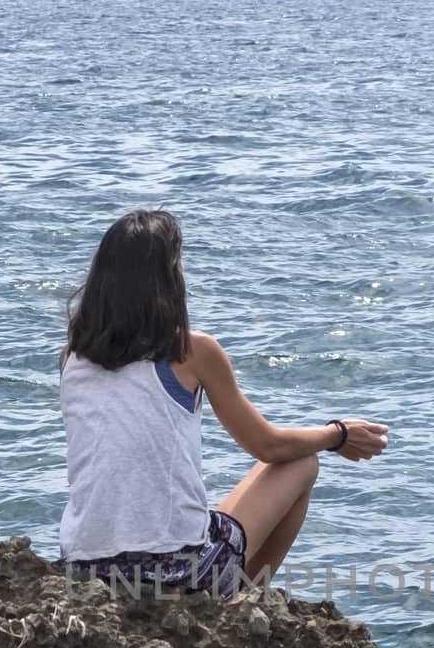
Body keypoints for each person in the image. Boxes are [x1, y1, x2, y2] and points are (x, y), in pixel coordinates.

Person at [57, 210, 388, 595]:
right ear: (168, 279)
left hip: (83, 572)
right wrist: (337, 434)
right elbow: (268, 445)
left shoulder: (71, 357)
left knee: (208, 518)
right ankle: (242, 603)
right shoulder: (191, 350)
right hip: (176, 575)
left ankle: (235, 598)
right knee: (300, 462)